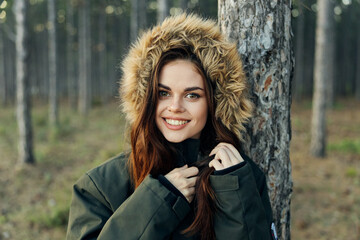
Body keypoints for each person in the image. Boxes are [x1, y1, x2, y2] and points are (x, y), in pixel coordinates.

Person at [66, 14, 276, 240]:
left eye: (192, 95)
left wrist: (235, 192)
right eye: (163, 93)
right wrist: (157, 202)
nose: (175, 107)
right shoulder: (101, 186)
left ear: (215, 102)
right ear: (146, 99)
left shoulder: (243, 178)